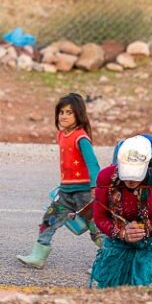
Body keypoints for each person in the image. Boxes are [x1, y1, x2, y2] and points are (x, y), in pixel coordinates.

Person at [17, 93, 104, 268]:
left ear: (78, 114)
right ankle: (38, 256)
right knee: (49, 220)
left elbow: (93, 164)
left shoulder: (81, 138)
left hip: (84, 193)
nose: (63, 116)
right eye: (61, 112)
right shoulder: (61, 135)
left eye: (69, 112)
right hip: (65, 192)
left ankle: (108, 261)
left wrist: (96, 187)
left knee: (96, 227)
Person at [89, 135, 152, 287]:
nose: (131, 181)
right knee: (111, 287)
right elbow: (100, 217)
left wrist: (144, 228)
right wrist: (121, 232)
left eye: (135, 176)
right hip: (118, 239)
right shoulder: (106, 178)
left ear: (148, 166)